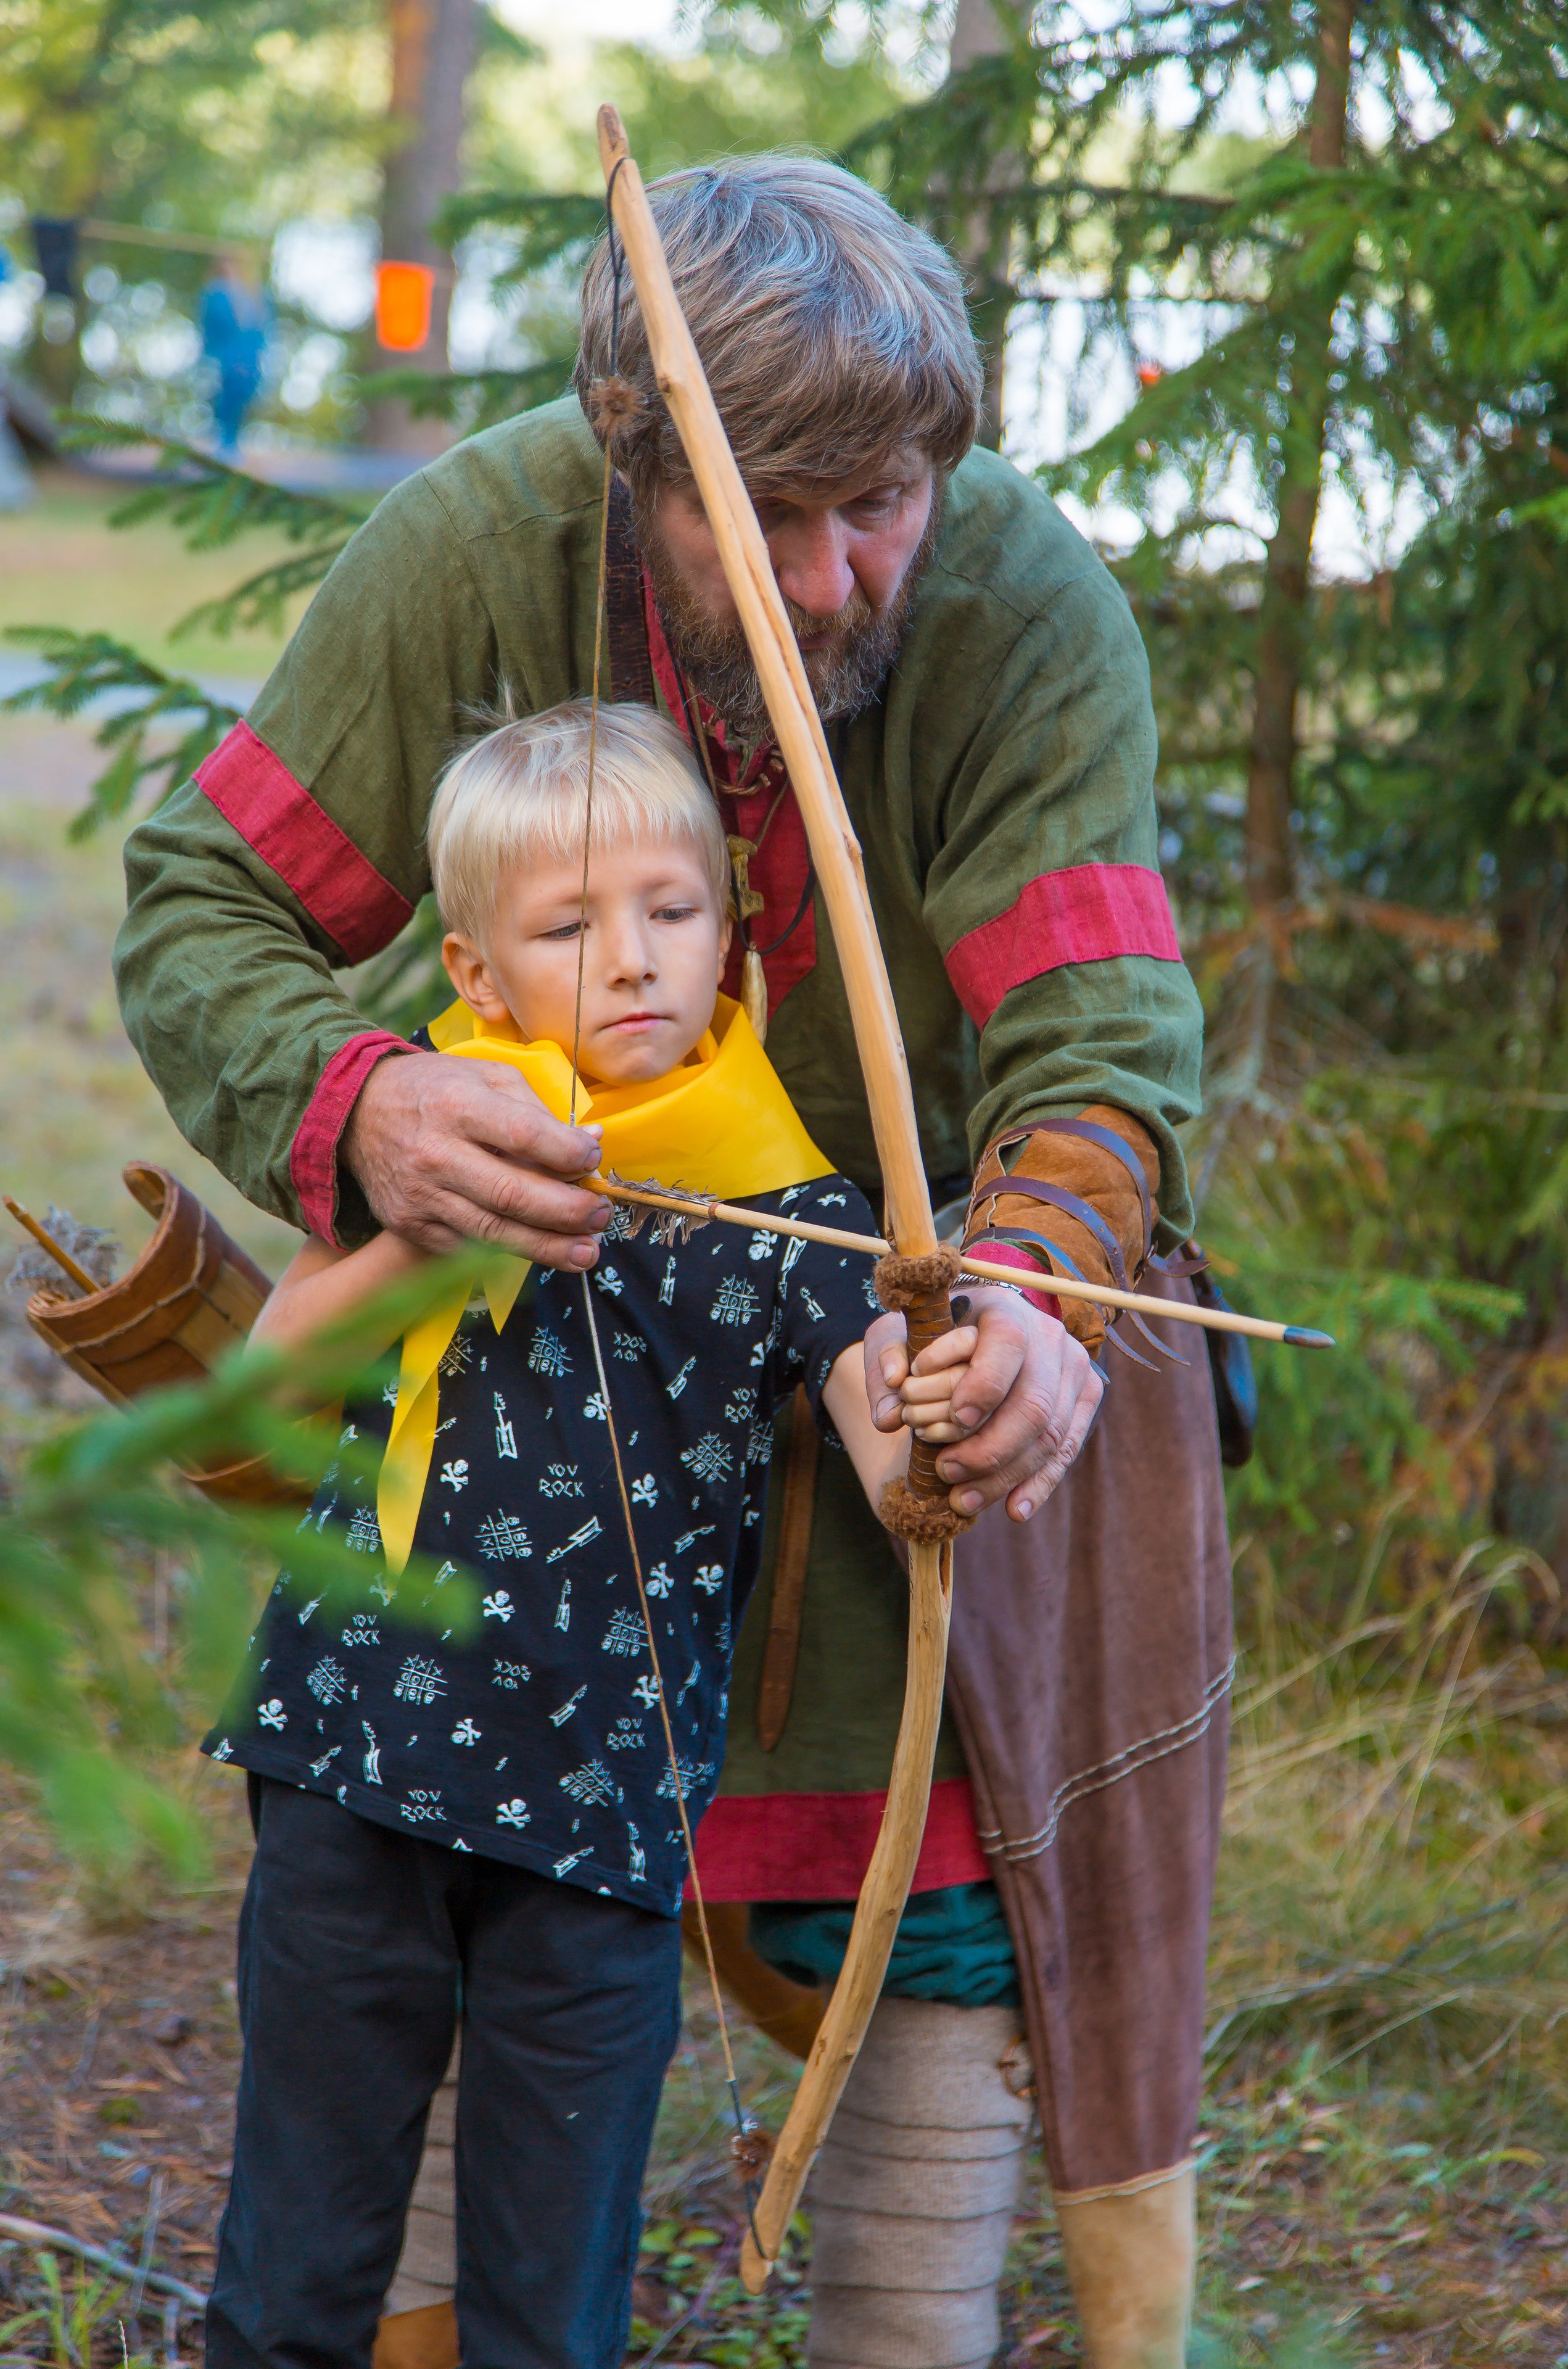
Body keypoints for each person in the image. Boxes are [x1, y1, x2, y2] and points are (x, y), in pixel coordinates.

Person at [117, 155, 1230, 2369]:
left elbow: (1099, 1049)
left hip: (903, 1343)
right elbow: (204, 904)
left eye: (884, 502)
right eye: (783, 516)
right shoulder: (475, 549)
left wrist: (1020, 1297)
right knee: (416, 1899)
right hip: (530, 1384)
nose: (843, 575)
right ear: (637, 470)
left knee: (953, 1812)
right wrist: (372, 1115)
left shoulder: (1009, 602)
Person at [200, 698, 981, 2369]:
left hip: (606, 1817)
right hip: (356, 1765)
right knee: (296, 2265)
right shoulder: (435, 1128)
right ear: (481, 975)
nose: (631, 961)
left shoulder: (786, 1199)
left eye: (672, 912)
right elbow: (265, 1381)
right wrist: (447, 1226)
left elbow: (877, 1410)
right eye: (568, 928)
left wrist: (931, 1406)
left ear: (731, 930)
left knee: (551, 2310)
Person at [200, 249, 270, 457]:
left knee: (244, 394)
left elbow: (263, 327)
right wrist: (210, 354)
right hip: (226, 355)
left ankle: (234, 440)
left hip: (249, 356)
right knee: (225, 396)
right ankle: (224, 441)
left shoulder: (255, 293)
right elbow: (210, 326)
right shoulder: (216, 293)